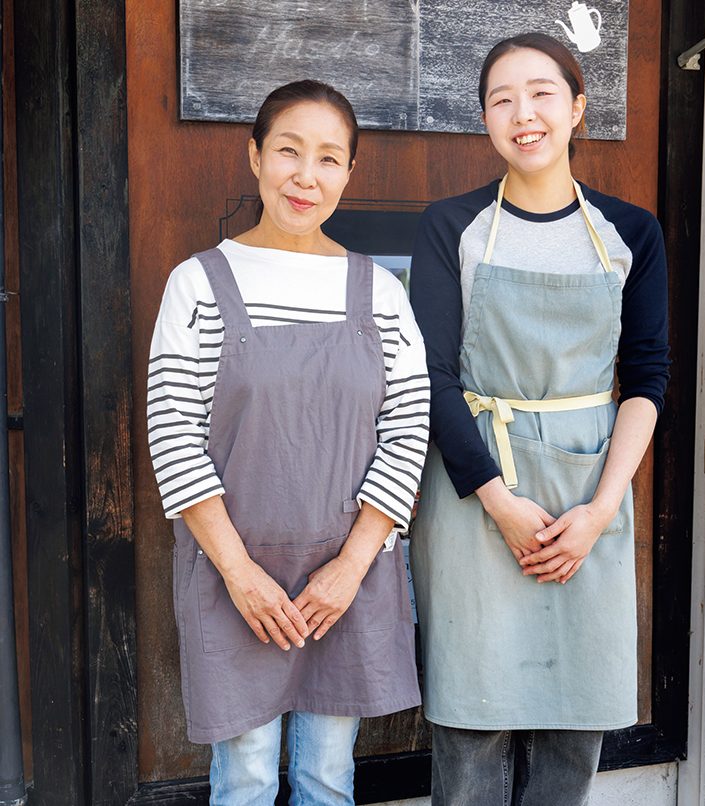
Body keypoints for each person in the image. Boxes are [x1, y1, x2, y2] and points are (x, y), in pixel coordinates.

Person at [147, 79, 428, 806]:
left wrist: (350, 567)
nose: (307, 176)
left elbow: (407, 431)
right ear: (254, 157)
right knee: (242, 777)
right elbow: (172, 432)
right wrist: (239, 572)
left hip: (347, 578)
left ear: (349, 174)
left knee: (327, 778)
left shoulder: (380, 294)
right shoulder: (199, 284)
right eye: (289, 152)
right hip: (234, 573)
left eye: (329, 159)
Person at [409, 33, 670, 806]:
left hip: (588, 494)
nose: (523, 113)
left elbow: (647, 379)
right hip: (474, 494)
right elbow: (433, 378)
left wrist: (599, 509)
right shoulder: (449, 224)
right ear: (485, 120)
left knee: (571, 733)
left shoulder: (632, 233)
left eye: (542, 92)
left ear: (577, 106)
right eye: (502, 99)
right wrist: (497, 500)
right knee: (471, 727)